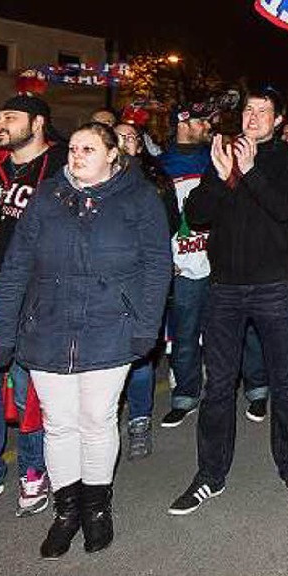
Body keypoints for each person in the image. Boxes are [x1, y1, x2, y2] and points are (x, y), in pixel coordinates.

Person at [0, 122, 171, 557]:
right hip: (47, 326)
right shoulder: (47, 198)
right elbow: (16, 266)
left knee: (97, 418)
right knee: (58, 423)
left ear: (112, 155)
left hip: (110, 326)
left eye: (89, 148)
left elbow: (157, 266)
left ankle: (97, 508)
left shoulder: (139, 198)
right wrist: (2, 329)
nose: (77, 154)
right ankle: (65, 512)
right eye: (72, 148)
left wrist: (145, 326)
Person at [167, 89, 288, 515]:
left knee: (285, 384)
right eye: (248, 110)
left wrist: (250, 171)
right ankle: (209, 476)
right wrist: (218, 176)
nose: (253, 117)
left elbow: (285, 208)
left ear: (277, 117)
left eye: (263, 111)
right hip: (225, 289)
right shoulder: (222, 157)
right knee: (219, 385)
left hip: (275, 286)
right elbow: (196, 215)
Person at [0, 94, 66, 516]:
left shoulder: (61, 167)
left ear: (38, 122)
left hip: (34, 298)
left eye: (9, 116)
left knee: (28, 394)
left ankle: (33, 470)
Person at [113, 123, 180, 459]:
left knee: (140, 354)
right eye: (118, 136)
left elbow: (168, 225)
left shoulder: (153, 182)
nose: (126, 142)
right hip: (104, 284)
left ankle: (139, 419)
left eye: (132, 138)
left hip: (142, 280)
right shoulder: (89, 183)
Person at [156, 102, 215, 429]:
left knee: (223, 333)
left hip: (219, 262)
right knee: (185, 333)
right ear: (182, 122)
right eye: (202, 121)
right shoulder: (161, 166)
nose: (208, 126)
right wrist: (165, 258)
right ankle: (185, 396)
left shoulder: (216, 159)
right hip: (181, 265)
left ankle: (227, 392)